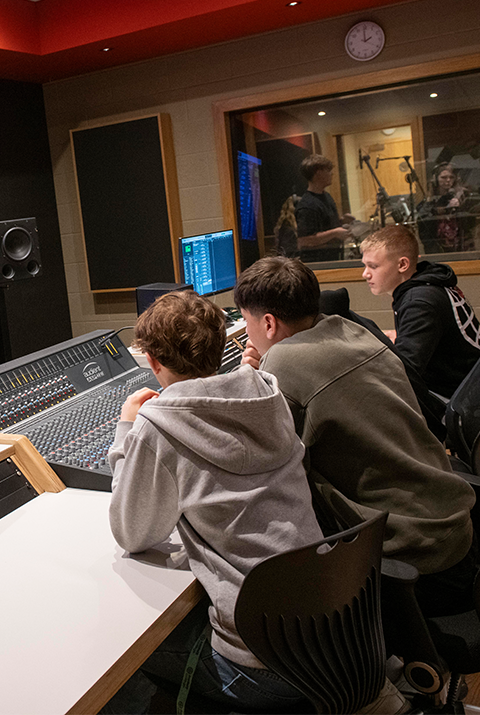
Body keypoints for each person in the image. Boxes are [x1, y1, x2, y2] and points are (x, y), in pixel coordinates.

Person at [104, 291, 323, 713]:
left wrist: (126, 431)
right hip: (328, 637)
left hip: (262, 669)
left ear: (152, 361)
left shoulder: (157, 426)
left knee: (120, 648)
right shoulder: (267, 391)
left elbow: (131, 534)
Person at [234, 256, 477, 617]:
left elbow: (262, 467)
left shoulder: (283, 366)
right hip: (454, 530)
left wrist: (252, 380)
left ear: (268, 323)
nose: (247, 332)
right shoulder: (350, 330)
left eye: (246, 322)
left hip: (412, 560)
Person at [360, 225, 480, 401]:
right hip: (466, 382)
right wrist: (400, 337)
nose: (365, 274)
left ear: (402, 265)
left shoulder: (419, 302)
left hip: (456, 397)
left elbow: (405, 371)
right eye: (365, 265)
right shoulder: (429, 285)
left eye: (373, 266)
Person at [295, 154, 354, 263]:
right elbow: (304, 240)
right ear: (318, 173)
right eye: (328, 170)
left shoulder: (327, 196)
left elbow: (324, 226)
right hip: (318, 264)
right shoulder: (307, 205)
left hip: (331, 259)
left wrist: (341, 221)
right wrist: (335, 233)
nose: (332, 173)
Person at [416, 162, 475, 253]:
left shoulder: (462, 196)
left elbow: (471, 223)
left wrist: (460, 207)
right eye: (443, 177)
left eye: (451, 177)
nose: (448, 180)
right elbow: (423, 224)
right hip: (438, 247)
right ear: (435, 179)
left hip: (460, 246)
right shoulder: (429, 201)